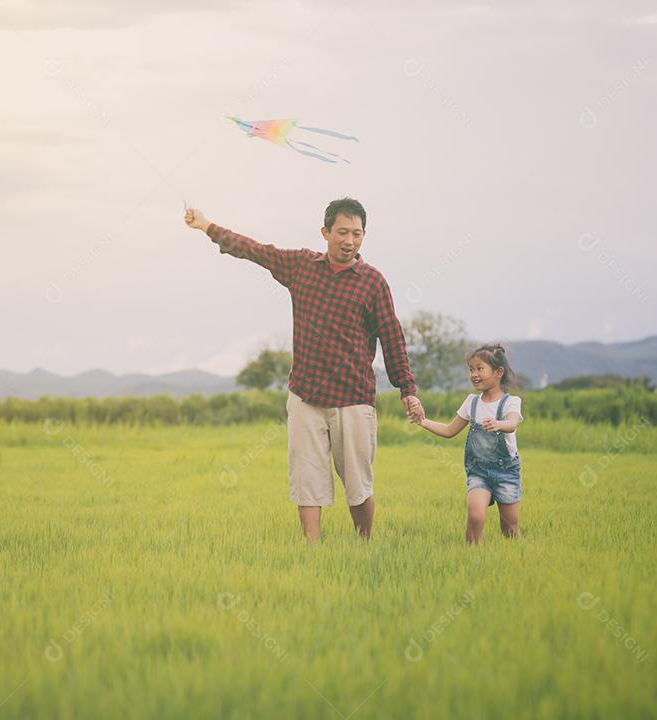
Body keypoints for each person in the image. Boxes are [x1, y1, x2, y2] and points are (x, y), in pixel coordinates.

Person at [183, 198, 425, 542]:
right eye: (342, 232)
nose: (349, 241)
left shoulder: (373, 282)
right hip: (306, 397)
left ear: (364, 236)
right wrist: (207, 226)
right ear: (325, 232)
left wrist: (407, 390)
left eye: (357, 234)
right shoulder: (301, 266)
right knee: (308, 483)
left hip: (353, 399)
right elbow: (255, 250)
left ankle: (365, 544)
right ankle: (312, 551)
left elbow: (392, 337)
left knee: (358, 485)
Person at [413, 344, 523, 544]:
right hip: (478, 472)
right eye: (471, 369)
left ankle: (517, 554)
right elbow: (449, 431)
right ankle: (471, 556)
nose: (474, 374)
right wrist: (423, 421)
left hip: (506, 472)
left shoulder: (510, 402)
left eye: (480, 368)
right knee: (475, 516)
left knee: (510, 527)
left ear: (498, 372)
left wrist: (499, 424)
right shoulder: (471, 402)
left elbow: (512, 423)